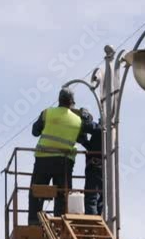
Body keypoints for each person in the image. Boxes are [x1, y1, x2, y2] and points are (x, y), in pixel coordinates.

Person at [28, 88, 95, 224]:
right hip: (64, 162)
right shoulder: (77, 120)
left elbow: (35, 132)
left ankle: (34, 222)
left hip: (43, 159)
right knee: (62, 195)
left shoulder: (47, 113)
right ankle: (60, 222)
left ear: (59, 100)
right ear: (72, 102)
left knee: (37, 192)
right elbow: (83, 139)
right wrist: (87, 118)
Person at [77, 110, 104, 216]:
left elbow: (87, 126)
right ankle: (98, 219)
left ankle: (93, 220)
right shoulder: (107, 136)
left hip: (95, 168)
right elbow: (92, 147)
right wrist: (84, 141)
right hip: (103, 168)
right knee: (100, 199)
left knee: (91, 197)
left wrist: (85, 116)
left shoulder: (101, 130)